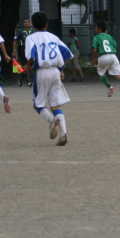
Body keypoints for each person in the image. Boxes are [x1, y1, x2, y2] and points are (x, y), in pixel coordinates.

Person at [24, 11, 74, 145]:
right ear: (47, 24)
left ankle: (52, 120)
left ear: (33, 25)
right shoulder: (54, 37)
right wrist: (61, 70)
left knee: (37, 104)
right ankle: (63, 135)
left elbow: (31, 54)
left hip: (42, 72)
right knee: (55, 105)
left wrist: (27, 66)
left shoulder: (31, 38)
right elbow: (66, 53)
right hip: (55, 72)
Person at [91, 20, 120, 101]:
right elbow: (115, 46)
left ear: (99, 28)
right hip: (113, 56)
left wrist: (94, 59)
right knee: (118, 75)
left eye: (96, 27)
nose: (95, 28)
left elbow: (94, 50)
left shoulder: (96, 37)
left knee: (101, 73)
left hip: (103, 56)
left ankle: (110, 87)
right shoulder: (110, 37)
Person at [12, 18, 33, 87]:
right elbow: (15, 41)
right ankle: (28, 82)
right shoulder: (20, 31)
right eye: (25, 22)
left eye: (28, 22)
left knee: (29, 65)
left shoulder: (31, 31)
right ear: (23, 24)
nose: (27, 23)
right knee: (25, 64)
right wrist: (14, 50)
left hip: (30, 49)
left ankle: (20, 80)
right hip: (22, 48)